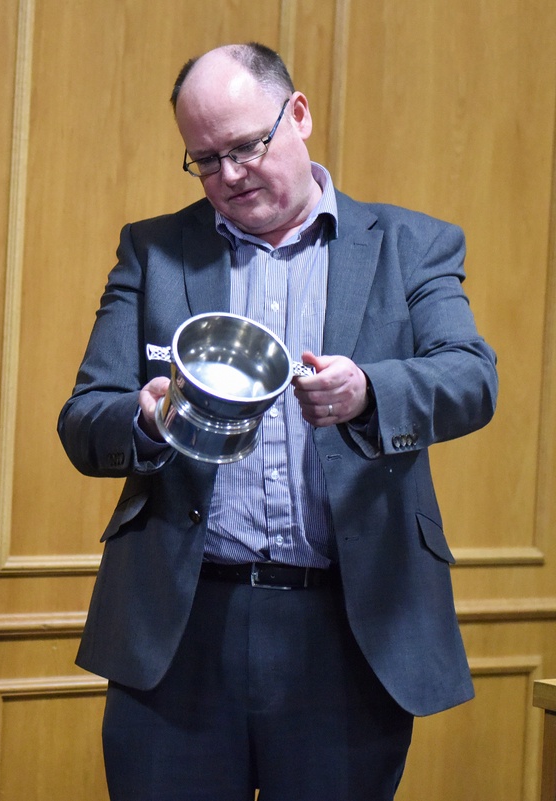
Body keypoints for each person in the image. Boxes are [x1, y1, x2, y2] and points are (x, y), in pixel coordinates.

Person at [58, 43, 497, 800]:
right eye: (204, 160)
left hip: (349, 631)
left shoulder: (411, 245)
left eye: (245, 147)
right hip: (181, 628)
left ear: (297, 114)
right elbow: (84, 419)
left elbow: (471, 377)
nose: (228, 176)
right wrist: (153, 421)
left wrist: (369, 390)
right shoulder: (154, 250)